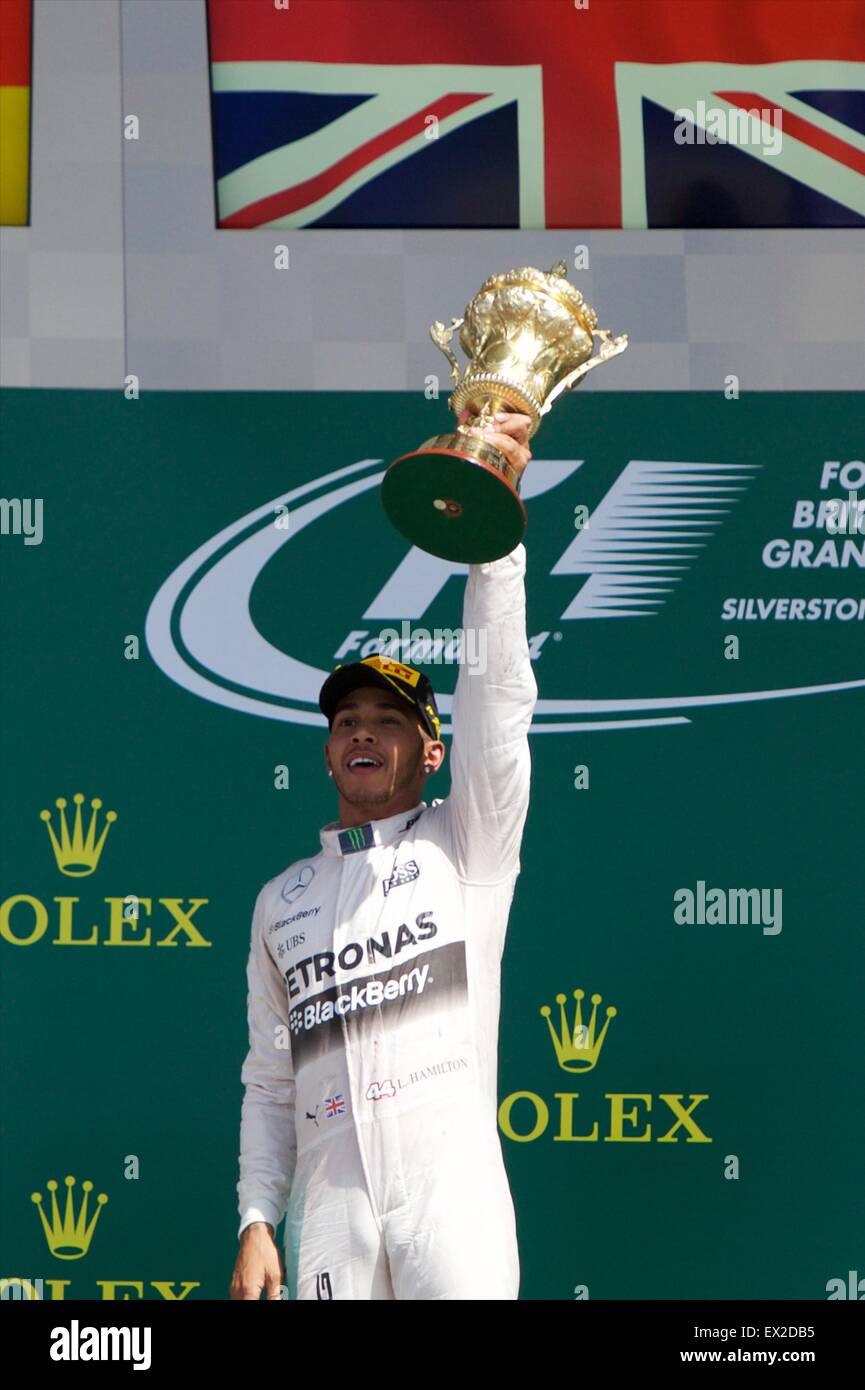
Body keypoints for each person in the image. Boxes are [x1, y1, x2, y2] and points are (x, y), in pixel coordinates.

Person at [230, 409, 537, 1300]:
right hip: (329, 1203)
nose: (363, 733)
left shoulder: (465, 844)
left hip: (452, 1191)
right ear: (328, 754)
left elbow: (498, 704)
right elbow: (270, 1080)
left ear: (431, 752)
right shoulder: (281, 900)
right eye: (347, 722)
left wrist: (494, 546)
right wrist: (256, 1217)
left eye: (389, 722)